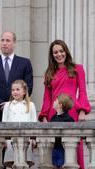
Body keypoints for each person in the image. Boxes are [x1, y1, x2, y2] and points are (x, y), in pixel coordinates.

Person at [38, 39, 91, 169]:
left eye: (61, 51)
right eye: (55, 52)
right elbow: (47, 98)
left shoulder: (78, 69)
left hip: (72, 112)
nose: (59, 54)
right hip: (54, 113)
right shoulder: (49, 73)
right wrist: (44, 116)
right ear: (52, 55)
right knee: (56, 151)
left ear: (66, 52)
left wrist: (82, 111)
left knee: (73, 148)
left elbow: (83, 91)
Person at [0, 31, 33, 119]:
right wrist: (0, 103)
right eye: (2, 40)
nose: (4, 43)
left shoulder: (25, 63)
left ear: (14, 43)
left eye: (8, 40)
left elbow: (28, 87)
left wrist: (11, 104)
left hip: (18, 111)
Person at [2, 80, 37, 168]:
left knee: (25, 164)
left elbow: (34, 123)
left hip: (26, 140)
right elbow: (4, 124)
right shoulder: (7, 105)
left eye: (18, 89)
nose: (15, 92)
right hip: (11, 140)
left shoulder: (31, 105)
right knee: (11, 164)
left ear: (24, 91)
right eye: (13, 90)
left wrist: (33, 139)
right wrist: (5, 139)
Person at [50, 93, 75, 169]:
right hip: (53, 147)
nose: (53, 102)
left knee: (62, 166)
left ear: (60, 105)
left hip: (63, 149)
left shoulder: (69, 119)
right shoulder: (53, 117)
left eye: (55, 101)